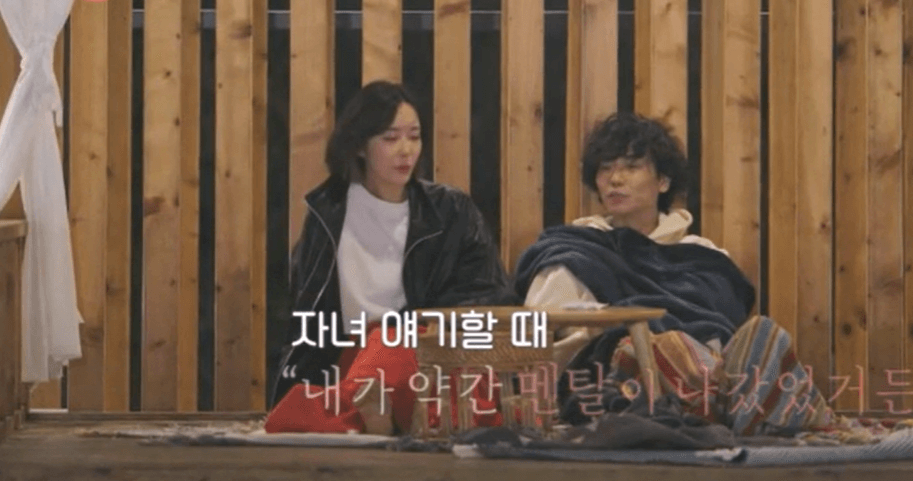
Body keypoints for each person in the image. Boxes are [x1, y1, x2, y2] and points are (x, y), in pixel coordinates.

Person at [515, 112, 834, 435]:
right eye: (605, 168)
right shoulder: (573, 254)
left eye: (631, 167)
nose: (615, 179)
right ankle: (750, 418)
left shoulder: (705, 257)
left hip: (714, 373)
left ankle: (729, 410)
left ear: (663, 181)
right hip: (612, 383)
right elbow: (533, 337)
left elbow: (727, 336)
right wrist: (614, 328)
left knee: (765, 333)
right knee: (667, 346)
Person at [266, 80, 517, 435]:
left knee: (396, 347)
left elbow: (490, 295)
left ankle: (367, 415)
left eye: (414, 137)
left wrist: (415, 327)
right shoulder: (327, 215)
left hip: (430, 351)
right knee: (298, 409)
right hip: (355, 357)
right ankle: (380, 412)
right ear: (359, 146)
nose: (405, 150)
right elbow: (307, 314)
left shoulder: (451, 210)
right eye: (390, 138)